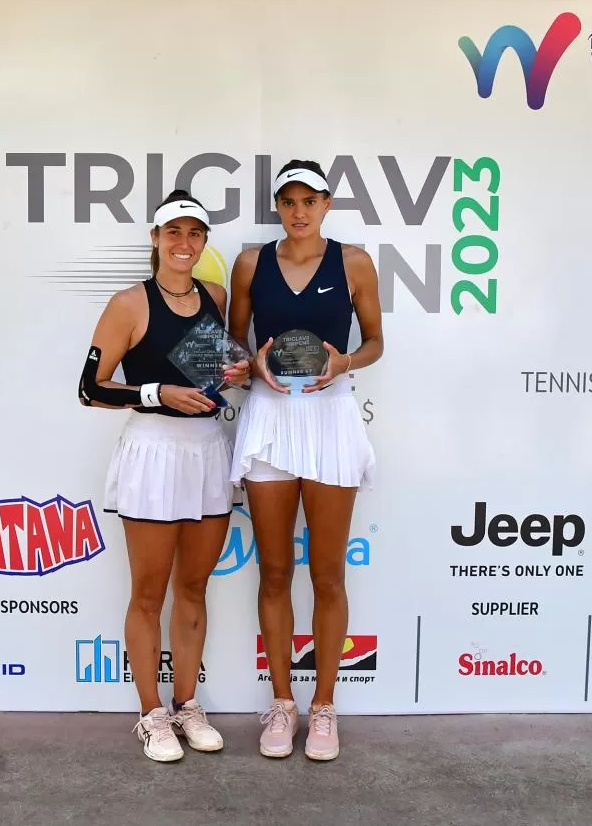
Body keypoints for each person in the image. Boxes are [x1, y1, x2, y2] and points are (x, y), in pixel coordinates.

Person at [78, 189, 247, 763]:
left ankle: (186, 704)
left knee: (194, 588)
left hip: (208, 451)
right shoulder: (128, 303)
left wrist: (236, 372)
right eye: (173, 232)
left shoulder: (216, 296)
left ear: (204, 242)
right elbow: (90, 389)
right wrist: (157, 392)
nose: (184, 243)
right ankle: (152, 715)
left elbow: (224, 369)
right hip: (152, 452)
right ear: (155, 238)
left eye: (195, 234)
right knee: (148, 593)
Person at [227, 160, 382, 761]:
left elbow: (375, 342)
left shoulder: (354, 263)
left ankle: (324, 707)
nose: (299, 211)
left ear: (326, 204)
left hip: (331, 418)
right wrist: (252, 365)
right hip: (270, 417)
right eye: (288, 201)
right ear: (278, 206)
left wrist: (343, 362)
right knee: (273, 571)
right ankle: (282, 702)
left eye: (309, 200)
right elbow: (235, 344)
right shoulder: (250, 264)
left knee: (328, 574)